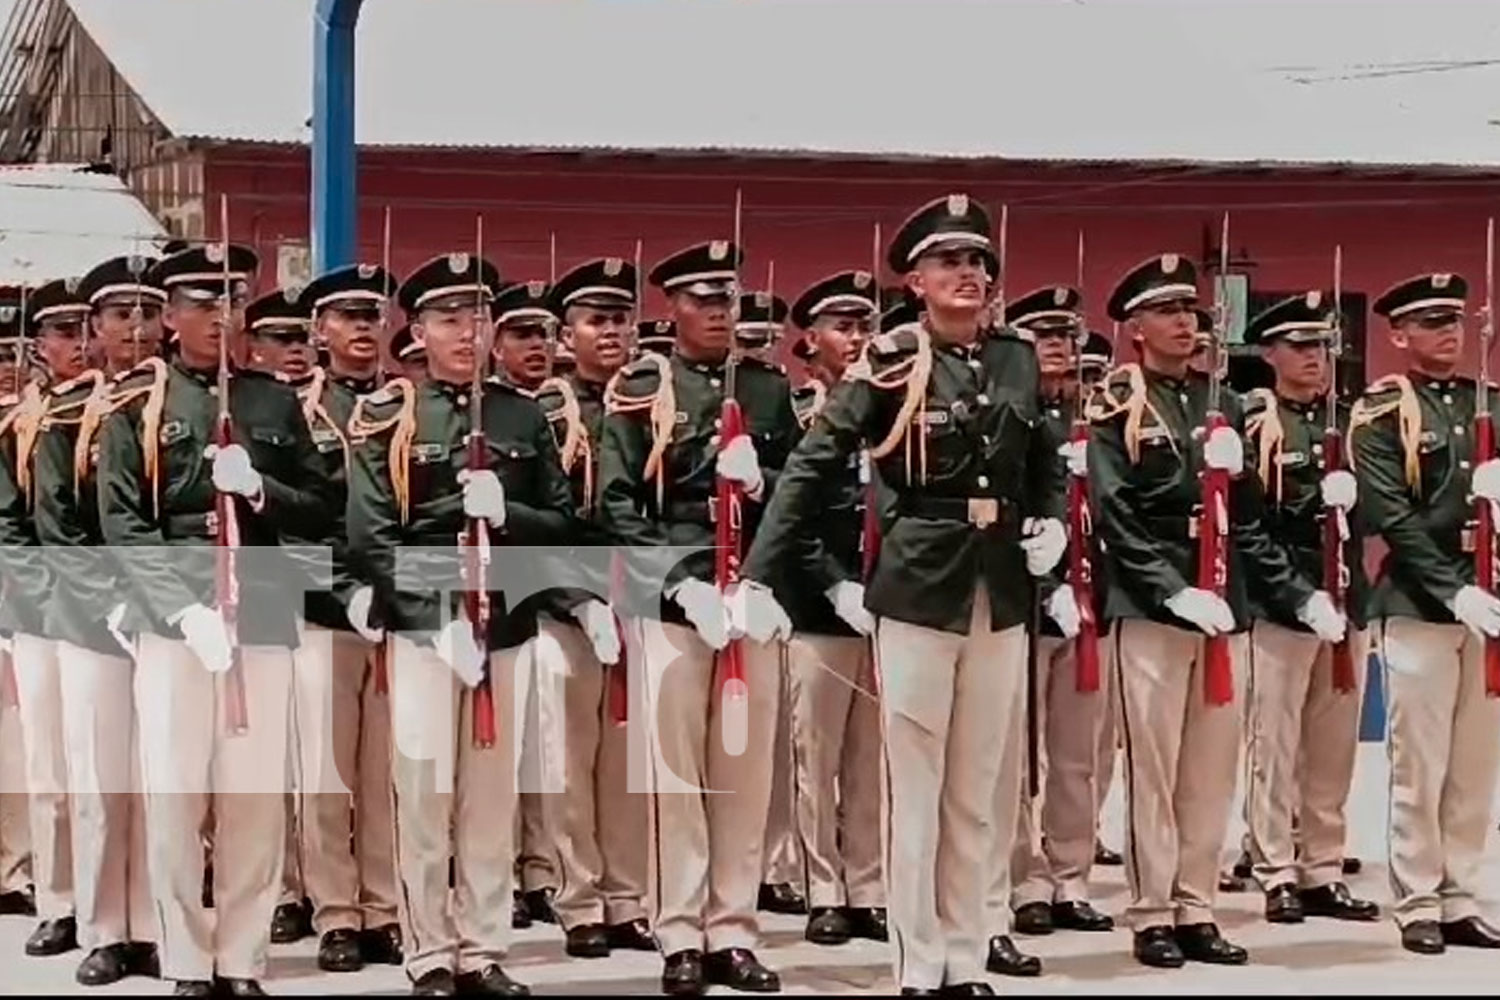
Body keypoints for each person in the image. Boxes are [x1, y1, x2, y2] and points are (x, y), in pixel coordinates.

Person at [739, 194, 1067, 996]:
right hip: (920, 586)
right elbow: (815, 468)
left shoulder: (1018, 357)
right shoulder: (890, 360)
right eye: (950, 262)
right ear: (916, 280)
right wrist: (756, 572)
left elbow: (1042, 460)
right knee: (914, 789)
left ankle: (965, 952)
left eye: (979, 263)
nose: (969, 274)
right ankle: (918, 962)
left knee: (978, 788)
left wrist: (1053, 531)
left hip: (999, 589)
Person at [1088, 253, 1342, 970]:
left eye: (1191, 312)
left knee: (1210, 767)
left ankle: (1195, 905)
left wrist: (1294, 595)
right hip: (1155, 604)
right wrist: (1172, 589)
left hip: (1224, 600)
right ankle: (1151, 910)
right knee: (1157, 768)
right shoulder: (1115, 402)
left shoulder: (1225, 406)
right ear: (1136, 327)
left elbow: (1252, 523)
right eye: (1168, 312)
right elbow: (1116, 511)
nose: (1185, 324)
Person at [97, 241, 331, 996]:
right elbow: (123, 522)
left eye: (230, 299)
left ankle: (242, 956)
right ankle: (186, 958)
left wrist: (261, 490)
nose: (218, 315)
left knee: (254, 799)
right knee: (175, 795)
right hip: (179, 626)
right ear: (168, 316)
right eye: (200, 302)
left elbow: (322, 505)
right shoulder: (137, 401)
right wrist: (179, 607)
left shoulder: (271, 400)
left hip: (261, 614)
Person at [347, 251, 573, 996]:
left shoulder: (520, 413)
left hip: (502, 628)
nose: (468, 332)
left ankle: (482, 947)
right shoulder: (390, 414)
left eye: (479, 317)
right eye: (449, 318)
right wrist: (428, 618)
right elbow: (372, 536)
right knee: (424, 791)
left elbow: (565, 522)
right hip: (427, 631)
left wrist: (510, 512)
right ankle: (429, 950)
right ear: (416, 330)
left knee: (490, 796)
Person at [598, 239, 798, 995]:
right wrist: (681, 583)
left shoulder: (771, 390)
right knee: (678, 775)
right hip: (678, 602)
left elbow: (801, 495)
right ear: (673, 310)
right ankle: (679, 930)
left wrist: (765, 499)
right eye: (703, 301)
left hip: (748, 596)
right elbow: (616, 503)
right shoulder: (643, 387)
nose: (720, 312)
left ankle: (734, 930)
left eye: (728, 299)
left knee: (744, 776)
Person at [1350, 272, 1500, 955]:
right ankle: (1417, 899)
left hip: (1489, 602)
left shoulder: (1489, 405)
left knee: (1476, 761)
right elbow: (1393, 517)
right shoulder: (1381, 414)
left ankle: (1462, 892)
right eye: (1431, 321)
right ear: (1398, 335)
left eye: (1455, 320)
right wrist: (1453, 588)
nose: (1449, 331)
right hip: (1418, 601)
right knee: (1421, 761)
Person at [32, 256, 167, 986]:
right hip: (93, 618)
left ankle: (151, 923)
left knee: (159, 779)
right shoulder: (67, 410)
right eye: (121, 317)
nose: (138, 330)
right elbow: (57, 521)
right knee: (99, 777)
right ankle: (103, 926)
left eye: (149, 314)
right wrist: (110, 600)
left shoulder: (183, 403)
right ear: (96, 329)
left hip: (170, 619)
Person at [526, 256, 655, 958]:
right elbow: (540, 519)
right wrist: (575, 600)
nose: (611, 333)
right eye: (595, 320)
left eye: (619, 319)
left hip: (639, 595)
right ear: (565, 332)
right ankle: (579, 900)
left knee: (628, 761)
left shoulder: (649, 400)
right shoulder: (549, 411)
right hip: (568, 604)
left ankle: (628, 898)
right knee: (571, 759)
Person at [1238, 293, 1378, 926]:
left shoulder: (1351, 424)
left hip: (1347, 600)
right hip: (1281, 602)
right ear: (1271, 354)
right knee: (1275, 744)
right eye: (1300, 347)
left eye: (1322, 346)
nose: (1315, 358)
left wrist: (1355, 504)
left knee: (1332, 747)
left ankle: (1323, 864)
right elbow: (1249, 527)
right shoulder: (1254, 424)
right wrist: (1298, 594)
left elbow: (1383, 516)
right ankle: (1273, 867)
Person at [285, 264, 405, 973]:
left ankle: (384, 906)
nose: (362, 328)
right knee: (326, 771)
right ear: (321, 330)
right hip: (325, 612)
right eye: (347, 317)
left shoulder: (408, 405)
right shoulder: (299, 413)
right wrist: (343, 589)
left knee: (387, 771)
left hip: (396, 613)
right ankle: (335, 909)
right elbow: (297, 527)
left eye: (371, 315)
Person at [998, 288, 1114, 959]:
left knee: (1078, 759)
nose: (1060, 348)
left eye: (1068, 337)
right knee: (1017, 758)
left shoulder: (1096, 420)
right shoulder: (1011, 416)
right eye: (1044, 336)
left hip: (1088, 606)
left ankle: (1071, 876)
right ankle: (1025, 880)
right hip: (1025, 601)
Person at [778, 270, 887, 947]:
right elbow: (794, 513)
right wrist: (833, 584)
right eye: (842, 327)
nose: (856, 338)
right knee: (813, 759)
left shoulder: (892, 405)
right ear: (811, 340)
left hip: (883, 602)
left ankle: (868, 886)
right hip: (818, 606)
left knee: (870, 761)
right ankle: (823, 887)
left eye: (863, 325)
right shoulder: (795, 414)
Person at [4, 278, 87, 961]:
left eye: (88, 327)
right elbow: (9, 522)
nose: (80, 343)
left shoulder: (127, 409)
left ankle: (121, 904)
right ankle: (60, 899)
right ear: (40, 346)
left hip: (125, 608)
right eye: (64, 332)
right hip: (43, 608)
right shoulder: (18, 422)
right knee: (51, 764)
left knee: (118, 768)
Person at [239, 285, 320, 946]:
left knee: (297, 761)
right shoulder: (254, 402)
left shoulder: (363, 404)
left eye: (302, 339)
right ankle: (285, 888)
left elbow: (326, 504)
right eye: (280, 340)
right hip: (258, 594)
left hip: (303, 598)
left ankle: (310, 885)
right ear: (254, 345)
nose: (295, 352)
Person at [484, 279, 566, 927]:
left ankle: (542, 870)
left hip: (547, 600)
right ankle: (498, 869)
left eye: (544, 333)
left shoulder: (537, 414)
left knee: (542, 753)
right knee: (491, 757)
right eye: (521, 334)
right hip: (477, 604)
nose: (536, 346)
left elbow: (566, 517)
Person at [0, 298, 37, 920]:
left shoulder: (36, 420)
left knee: (16, 747)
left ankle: (14, 869)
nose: (5, 365)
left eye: (13, 354)